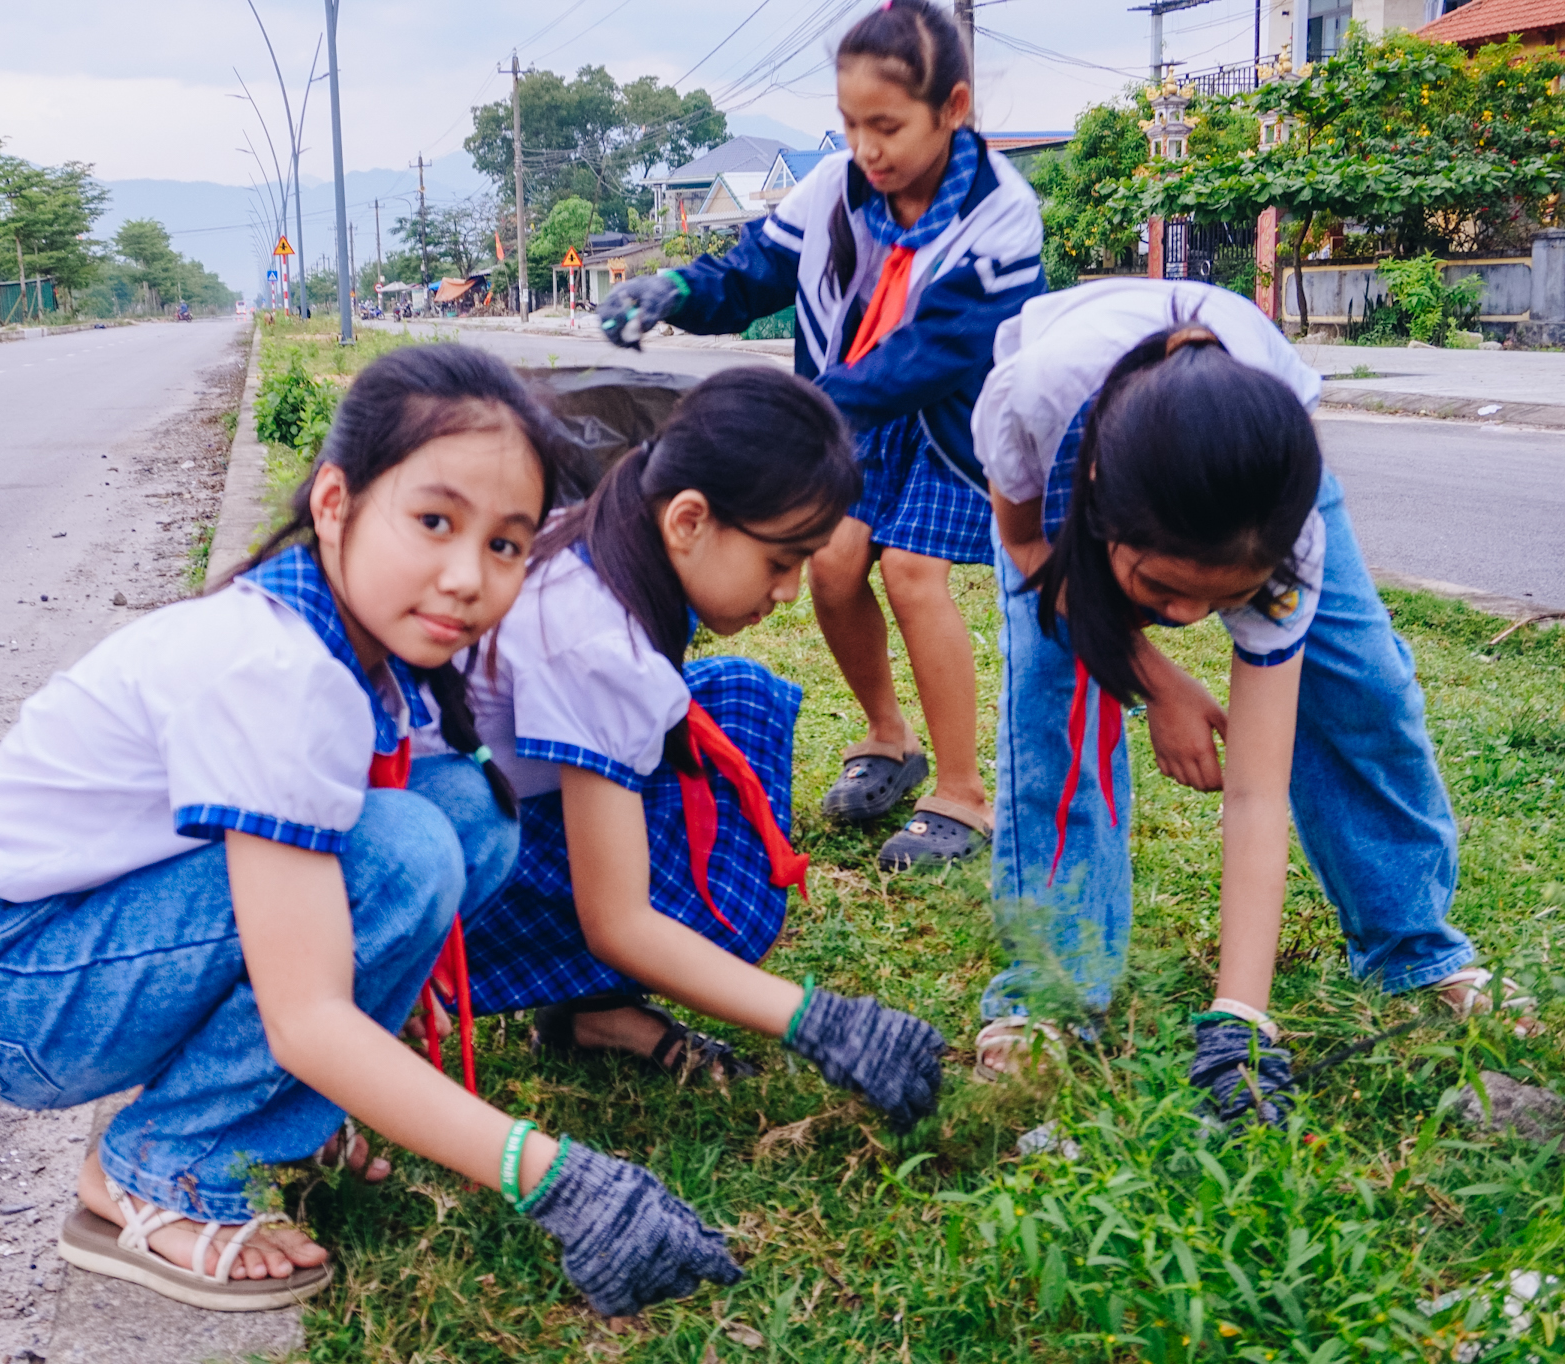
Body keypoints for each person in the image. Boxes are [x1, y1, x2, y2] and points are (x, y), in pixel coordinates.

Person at [0, 346, 743, 1316]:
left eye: (506, 543)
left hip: (81, 942)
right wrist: (559, 1178)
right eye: (432, 520)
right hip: (10, 982)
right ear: (335, 502)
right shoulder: (278, 672)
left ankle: (272, 1115)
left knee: (468, 816)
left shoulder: (362, 642)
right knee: (403, 856)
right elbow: (307, 1010)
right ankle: (157, 1168)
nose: (467, 576)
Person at [970, 279, 1539, 1121]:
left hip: (1251, 478)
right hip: (1064, 483)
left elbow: (1255, 788)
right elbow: (1024, 544)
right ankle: (1048, 989)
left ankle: (1411, 947)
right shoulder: (1033, 397)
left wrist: (1239, 1020)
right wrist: (1157, 680)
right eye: (1163, 590)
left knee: (1365, 692)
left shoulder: (1285, 529)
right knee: (1054, 709)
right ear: (1102, 505)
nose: (1191, 619)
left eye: (1220, 598)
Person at [597, 0, 1044, 870]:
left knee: (914, 576)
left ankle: (962, 794)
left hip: (953, 422)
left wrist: (798, 419)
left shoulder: (1000, 214)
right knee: (835, 565)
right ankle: (889, 740)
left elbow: (932, 354)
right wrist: (678, 291)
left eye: (887, 125)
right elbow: (756, 267)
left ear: (952, 109)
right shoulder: (836, 188)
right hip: (851, 410)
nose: (867, 148)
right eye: (850, 125)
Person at [454, 367, 948, 1130]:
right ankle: (473, 985)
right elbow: (615, 921)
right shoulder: (597, 640)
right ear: (689, 520)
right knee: (731, 893)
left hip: (486, 794)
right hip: (439, 871)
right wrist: (824, 1024)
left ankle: (593, 1012)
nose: (787, 592)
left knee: (737, 702)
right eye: (780, 562)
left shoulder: (614, 524)